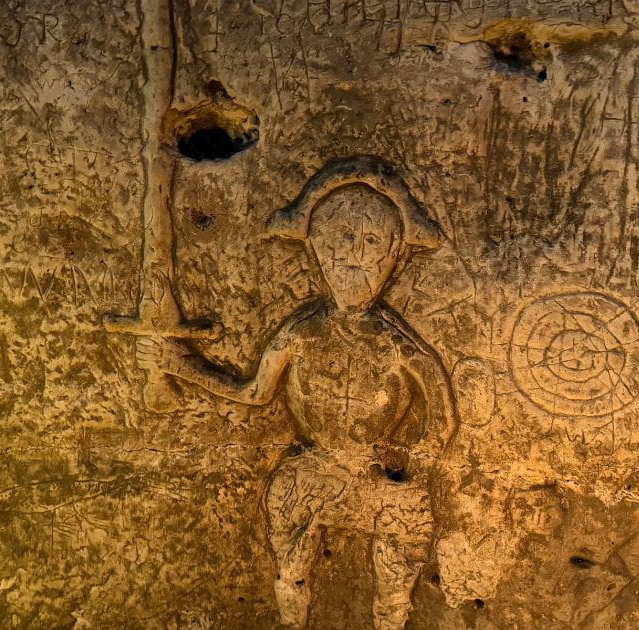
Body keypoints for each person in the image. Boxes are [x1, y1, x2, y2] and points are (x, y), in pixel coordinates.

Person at [136, 156, 459, 629]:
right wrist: (180, 366)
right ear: (319, 250)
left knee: (401, 557)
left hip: (377, 473)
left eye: (372, 244)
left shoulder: (394, 341)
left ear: (394, 254)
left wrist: (414, 462)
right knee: (290, 568)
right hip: (313, 467)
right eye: (342, 243)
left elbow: (443, 417)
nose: (355, 260)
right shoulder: (303, 331)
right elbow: (254, 392)